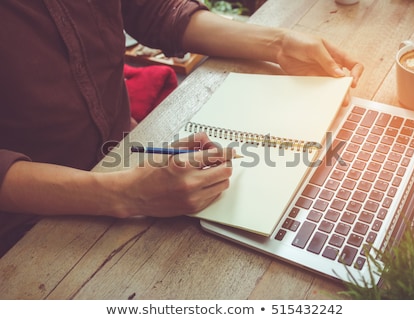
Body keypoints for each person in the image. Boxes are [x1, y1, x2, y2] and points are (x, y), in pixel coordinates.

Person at [0, 0, 363, 256]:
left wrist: (279, 44)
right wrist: (125, 195)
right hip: (26, 228)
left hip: (128, 152)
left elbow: (155, 11)